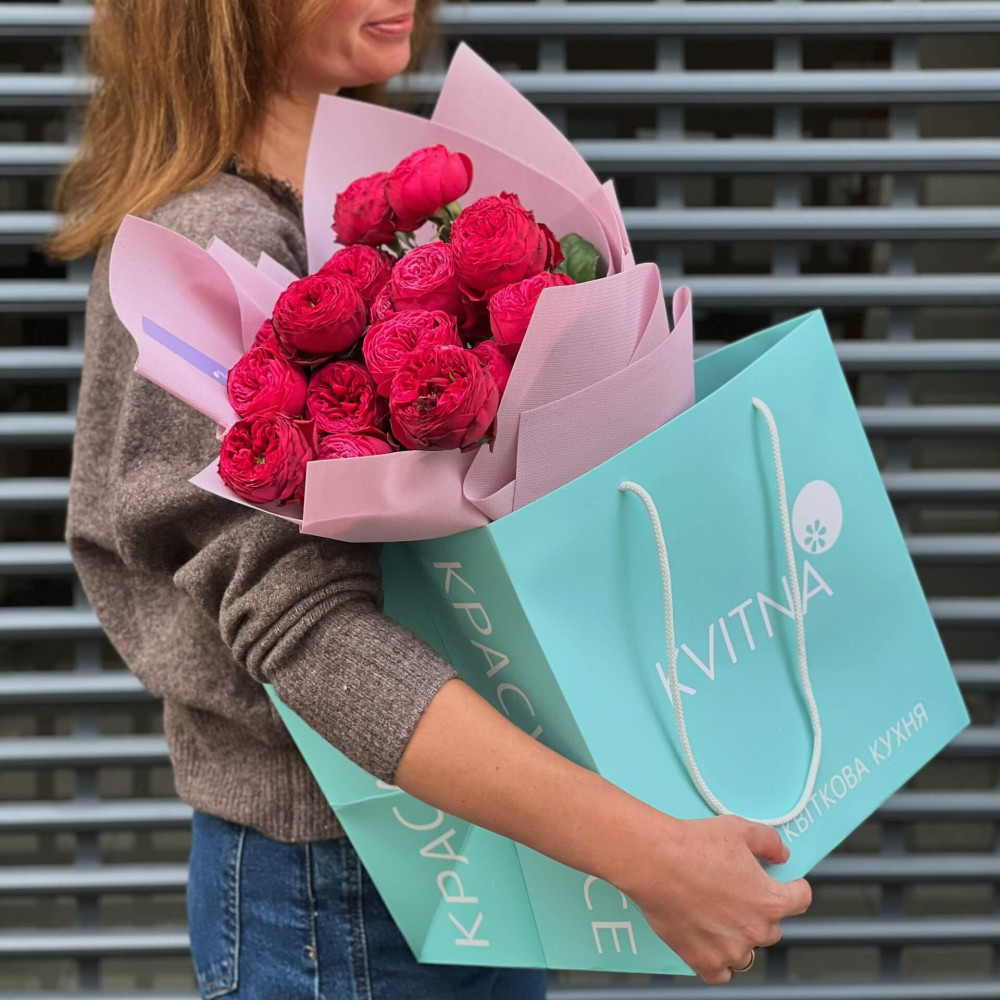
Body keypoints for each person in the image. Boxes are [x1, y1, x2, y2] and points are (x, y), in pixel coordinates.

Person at [50, 1, 812, 996]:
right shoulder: (213, 242)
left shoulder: (367, 211)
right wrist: (647, 852)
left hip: (456, 842)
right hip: (339, 890)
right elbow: (310, 634)